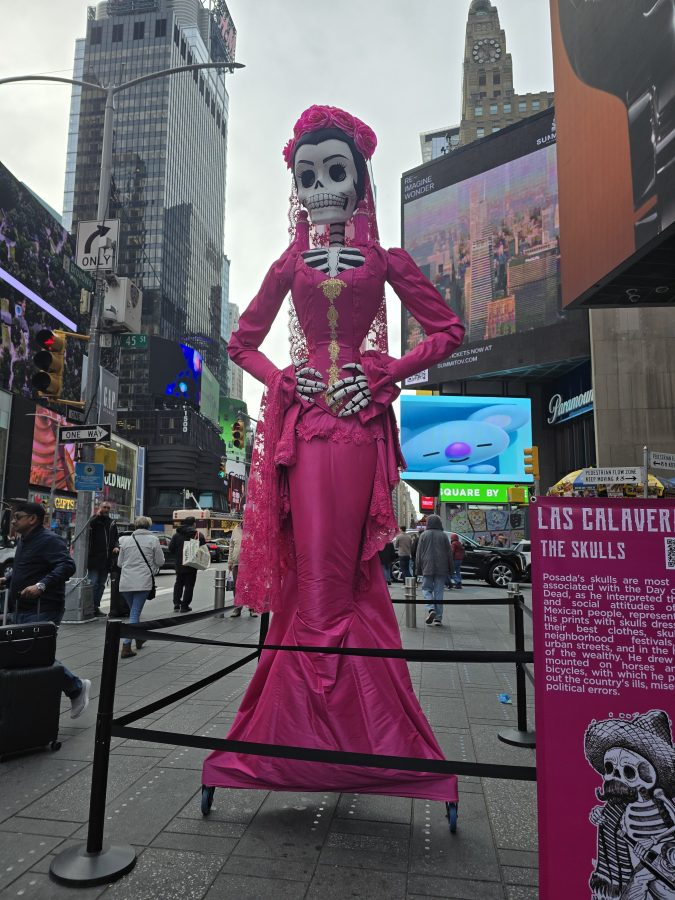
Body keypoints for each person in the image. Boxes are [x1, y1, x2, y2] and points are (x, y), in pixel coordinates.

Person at [202, 105, 464, 804]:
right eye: (307, 175)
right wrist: (284, 378)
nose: (320, 188)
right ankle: (320, 732)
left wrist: (387, 372)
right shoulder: (288, 262)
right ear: (295, 186)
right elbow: (241, 343)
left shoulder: (386, 260)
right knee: (312, 570)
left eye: (334, 172)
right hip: (306, 428)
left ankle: (335, 735)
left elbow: (447, 330)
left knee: (344, 575)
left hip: (356, 429)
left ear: (359, 180)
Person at [0, 501, 90, 718]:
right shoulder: (25, 539)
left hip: (43, 607)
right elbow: (29, 568)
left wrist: (41, 585)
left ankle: (76, 687)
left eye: (18, 517)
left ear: (32, 519)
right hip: (21, 607)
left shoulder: (49, 540)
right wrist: (7, 579)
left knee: (35, 654)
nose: (13, 521)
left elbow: (67, 565)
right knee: (24, 654)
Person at [117, 516, 164, 659]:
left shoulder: (125, 540)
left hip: (125, 582)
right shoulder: (153, 540)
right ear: (149, 526)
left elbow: (119, 563)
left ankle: (139, 638)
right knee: (135, 613)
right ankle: (126, 646)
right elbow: (160, 561)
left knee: (133, 612)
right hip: (143, 581)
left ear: (135, 526)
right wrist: (153, 567)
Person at [415, 515, 453, 626]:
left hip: (427, 566)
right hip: (442, 567)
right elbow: (449, 553)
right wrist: (451, 569)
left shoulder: (423, 535)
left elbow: (418, 553)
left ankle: (431, 608)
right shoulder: (443, 535)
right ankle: (438, 619)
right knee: (439, 591)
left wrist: (418, 569)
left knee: (426, 588)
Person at [86, 501, 119, 616]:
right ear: (99, 508)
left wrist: (116, 546)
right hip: (94, 559)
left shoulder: (111, 523)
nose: (106, 510)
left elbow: (116, 538)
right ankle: (89, 607)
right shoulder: (94, 521)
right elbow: (88, 528)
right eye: (104, 507)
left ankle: (95, 607)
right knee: (93, 583)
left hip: (106, 560)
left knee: (101, 584)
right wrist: (96, 516)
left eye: (108, 508)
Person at [168, 516, 206, 613]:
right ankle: (185, 606)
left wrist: (178, 554)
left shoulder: (176, 535)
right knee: (189, 585)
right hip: (191, 564)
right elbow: (203, 550)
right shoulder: (198, 535)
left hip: (179, 564)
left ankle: (176, 604)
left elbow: (171, 549)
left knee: (178, 583)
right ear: (194, 524)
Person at [228, 521, 256, 617]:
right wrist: (230, 561)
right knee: (236, 587)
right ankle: (237, 609)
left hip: (249, 563)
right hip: (237, 563)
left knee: (251, 586)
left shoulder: (254, 528)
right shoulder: (236, 529)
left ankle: (252, 609)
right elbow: (231, 546)